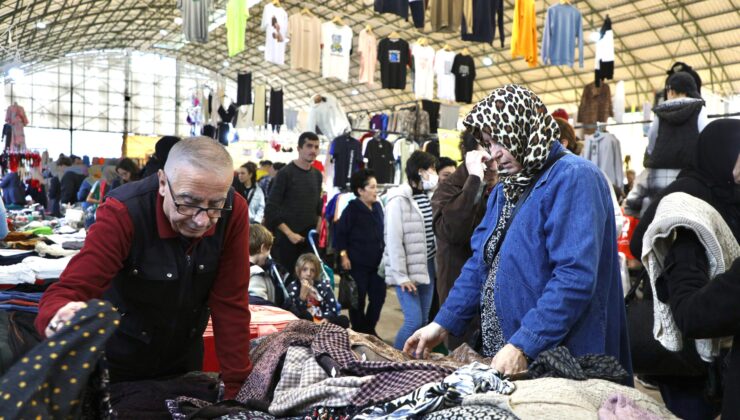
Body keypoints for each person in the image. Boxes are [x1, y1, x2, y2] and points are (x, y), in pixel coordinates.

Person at [403, 85, 631, 378]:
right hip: (511, 353)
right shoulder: (507, 188)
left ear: (524, 126)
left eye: (500, 139)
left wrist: (525, 344)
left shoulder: (573, 177)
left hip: (561, 354)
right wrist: (442, 323)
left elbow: (574, 276)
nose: (495, 153)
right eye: (488, 143)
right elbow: (479, 264)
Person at [35, 137, 252, 400]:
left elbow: (231, 303)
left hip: (183, 365)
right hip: (119, 367)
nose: (202, 220)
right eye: (187, 202)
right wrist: (60, 317)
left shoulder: (234, 210)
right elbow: (70, 289)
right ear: (162, 183)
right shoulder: (123, 211)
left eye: (215, 205)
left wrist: (237, 392)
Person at [631, 119, 740, 419]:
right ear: (723, 153)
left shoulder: (730, 195)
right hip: (686, 353)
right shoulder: (688, 198)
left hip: (714, 345)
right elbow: (643, 239)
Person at [431, 130, 498, 350]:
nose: (495, 156)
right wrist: (474, 181)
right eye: (487, 148)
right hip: (461, 295)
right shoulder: (451, 186)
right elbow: (451, 232)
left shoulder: (504, 184)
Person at [383, 150, 439, 350]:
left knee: (423, 321)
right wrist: (401, 276)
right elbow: (393, 240)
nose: (434, 173)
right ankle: (394, 359)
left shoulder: (426, 195)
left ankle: (413, 362)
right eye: (431, 169)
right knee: (413, 321)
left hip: (428, 266)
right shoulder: (398, 199)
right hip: (407, 271)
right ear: (419, 171)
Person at [334, 169, 386, 335]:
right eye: (372, 187)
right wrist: (343, 256)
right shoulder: (351, 210)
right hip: (357, 264)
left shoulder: (377, 207)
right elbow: (340, 234)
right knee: (357, 300)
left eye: (375, 186)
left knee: (378, 297)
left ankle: (368, 329)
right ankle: (359, 331)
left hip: (377, 264)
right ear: (360, 190)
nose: (375, 190)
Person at [264, 132, 323, 272]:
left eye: (316, 147)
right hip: (286, 241)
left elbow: (317, 203)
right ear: (299, 148)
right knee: (286, 282)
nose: (313, 150)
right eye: (309, 146)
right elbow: (271, 209)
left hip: (309, 239)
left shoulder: (317, 175)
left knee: (307, 282)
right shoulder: (285, 174)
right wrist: (289, 234)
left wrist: (319, 221)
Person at [284, 253, 349, 327]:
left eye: (312, 270)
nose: (308, 273)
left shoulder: (323, 286)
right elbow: (293, 313)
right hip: (304, 324)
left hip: (322, 322)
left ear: (316, 273)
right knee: (305, 316)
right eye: (304, 269)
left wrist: (326, 319)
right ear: (298, 270)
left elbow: (332, 309)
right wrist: (302, 297)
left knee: (344, 319)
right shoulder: (292, 287)